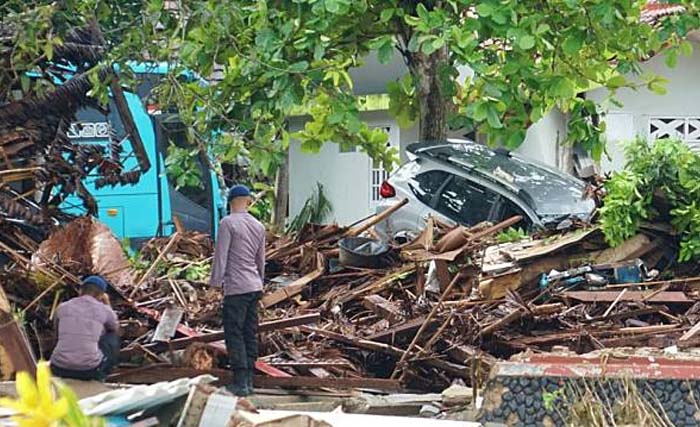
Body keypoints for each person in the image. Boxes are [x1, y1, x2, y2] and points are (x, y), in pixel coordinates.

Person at [210, 184, 266, 396]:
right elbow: (261, 260)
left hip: (236, 288)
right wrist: (260, 282)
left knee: (234, 334)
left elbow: (220, 257)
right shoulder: (258, 226)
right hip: (254, 286)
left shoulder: (227, 223)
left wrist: (215, 284)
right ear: (248, 201)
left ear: (231, 202)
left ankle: (240, 383)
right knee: (249, 333)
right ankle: (249, 381)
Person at [50, 275, 120, 381]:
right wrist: (107, 304)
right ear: (101, 295)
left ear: (80, 290)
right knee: (112, 336)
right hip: (88, 370)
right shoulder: (104, 310)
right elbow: (115, 327)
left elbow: (56, 335)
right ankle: (103, 376)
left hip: (58, 367)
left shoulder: (62, 307)